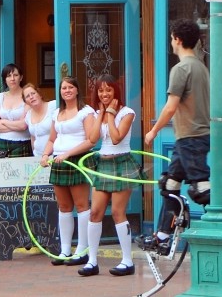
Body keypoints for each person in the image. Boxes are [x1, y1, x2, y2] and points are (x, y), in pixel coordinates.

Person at [135, 19, 211, 255]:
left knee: (201, 188)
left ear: (177, 40)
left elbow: (170, 107)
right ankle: (162, 237)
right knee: (170, 184)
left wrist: (153, 130)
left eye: (171, 38)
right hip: (190, 136)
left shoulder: (181, 69)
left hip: (190, 135)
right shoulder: (200, 66)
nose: (171, 42)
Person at [79, 74, 144, 277]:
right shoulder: (97, 112)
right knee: (95, 212)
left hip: (122, 163)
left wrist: (110, 114)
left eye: (108, 89)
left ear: (116, 90)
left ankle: (127, 260)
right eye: (100, 90)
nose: (104, 94)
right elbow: (92, 138)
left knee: (117, 212)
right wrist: (100, 115)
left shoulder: (127, 112)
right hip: (103, 163)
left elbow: (116, 138)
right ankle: (92, 261)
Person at [40, 76, 96, 267]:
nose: (67, 91)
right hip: (58, 161)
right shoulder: (57, 113)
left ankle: (82, 249)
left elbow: (91, 140)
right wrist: (45, 154)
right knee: (63, 206)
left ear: (77, 90)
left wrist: (68, 154)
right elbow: (51, 139)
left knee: (81, 205)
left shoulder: (86, 112)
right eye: (64, 88)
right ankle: (65, 249)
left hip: (76, 161)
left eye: (71, 87)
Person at [0, 63, 32, 158]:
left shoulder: (27, 96)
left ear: (21, 77)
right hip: (1, 145)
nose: (12, 79)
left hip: (23, 144)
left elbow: (23, 126)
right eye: (8, 76)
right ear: (5, 79)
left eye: (15, 75)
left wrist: (3, 121)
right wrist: (16, 125)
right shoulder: (0, 97)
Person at [22, 83, 57, 157]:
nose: (31, 97)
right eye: (27, 96)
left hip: (55, 155)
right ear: (25, 102)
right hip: (37, 156)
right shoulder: (28, 115)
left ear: (39, 94)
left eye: (33, 93)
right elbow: (33, 137)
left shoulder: (53, 106)